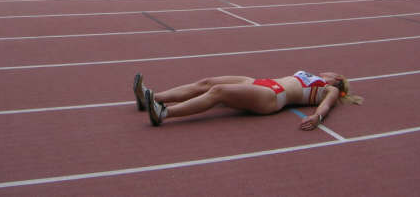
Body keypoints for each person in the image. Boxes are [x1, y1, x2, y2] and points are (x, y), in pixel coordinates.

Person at [133, 71, 363, 129]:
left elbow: (327, 105)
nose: (329, 72)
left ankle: (163, 113)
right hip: (260, 83)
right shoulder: (313, 76)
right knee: (208, 82)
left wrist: (317, 117)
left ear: (336, 81)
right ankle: (152, 98)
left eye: (334, 74)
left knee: (219, 92)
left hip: (273, 97)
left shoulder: (328, 90)